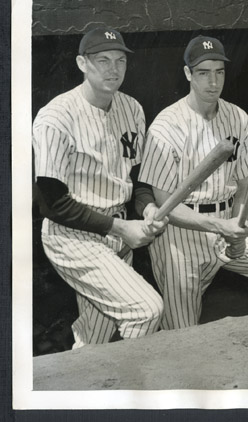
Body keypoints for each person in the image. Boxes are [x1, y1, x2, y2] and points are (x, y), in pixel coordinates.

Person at [139, 35, 248, 330]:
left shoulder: (238, 118)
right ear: (188, 74)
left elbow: (246, 183)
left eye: (219, 72)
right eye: (203, 73)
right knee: (182, 335)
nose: (213, 82)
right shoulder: (165, 127)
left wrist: (239, 224)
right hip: (182, 236)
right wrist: (222, 227)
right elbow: (166, 205)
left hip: (230, 220)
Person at [32, 27, 165, 348]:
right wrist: (121, 228)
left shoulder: (131, 108)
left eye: (120, 60)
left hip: (116, 230)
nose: (113, 68)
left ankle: (77, 389)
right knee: (146, 310)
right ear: (81, 63)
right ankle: (119, 393)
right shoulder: (56, 118)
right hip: (72, 237)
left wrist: (146, 207)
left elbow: (136, 180)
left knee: (95, 337)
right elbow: (52, 204)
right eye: (102, 60)